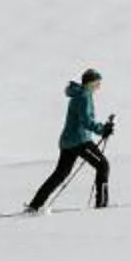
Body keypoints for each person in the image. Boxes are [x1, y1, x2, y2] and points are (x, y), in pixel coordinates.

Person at [25, 68, 115, 212]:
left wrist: (102, 129)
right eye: (98, 83)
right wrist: (103, 130)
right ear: (91, 82)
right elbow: (86, 121)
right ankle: (102, 205)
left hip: (68, 141)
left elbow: (85, 120)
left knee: (60, 174)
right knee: (103, 165)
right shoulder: (84, 96)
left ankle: (34, 205)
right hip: (80, 141)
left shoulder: (79, 94)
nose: (99, 86)